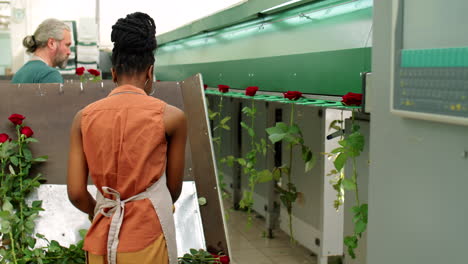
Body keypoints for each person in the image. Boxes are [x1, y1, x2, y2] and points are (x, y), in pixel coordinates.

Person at [67, 12, 187, 264]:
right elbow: (173, 189)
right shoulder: (172, 118)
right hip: (149, 237)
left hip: (101, 240)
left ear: (112, 73)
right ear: (150, 71)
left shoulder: (83, 117)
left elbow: (77, 193)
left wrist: (98, 211)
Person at [11, 18, 71, 83]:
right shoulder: (49, 75)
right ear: (51, 43)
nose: (69, 52)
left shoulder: (19, 74)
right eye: (67, 45)